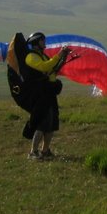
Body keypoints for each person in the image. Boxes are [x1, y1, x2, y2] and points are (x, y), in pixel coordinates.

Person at [17, 31, 71, 160]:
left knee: (51, 123)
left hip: (49, 93)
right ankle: (33, 152)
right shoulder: (31, 57)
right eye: (42, 40)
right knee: (42, 123)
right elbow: (44, 67)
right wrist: (58, 55)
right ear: (36, 42)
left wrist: (63, 57)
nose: (44, 42)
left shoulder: (43, 56)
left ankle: (45, 151)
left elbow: (52, 70)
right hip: (40, 95)